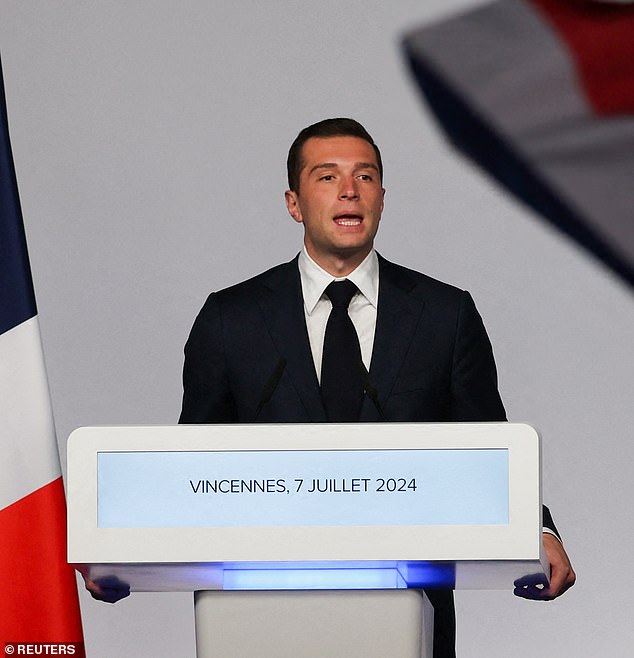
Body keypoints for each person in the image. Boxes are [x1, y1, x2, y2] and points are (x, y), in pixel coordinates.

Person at [89, 118, 576, 656]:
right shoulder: (231, 318)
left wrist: (540, 530)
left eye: (365, 177)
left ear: (383, 199)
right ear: (294, 203)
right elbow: (191, 463)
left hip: (407, 610)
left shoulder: (445, 314)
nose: (349, 191)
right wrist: (117, 548)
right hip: (257, 618)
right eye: (327, 177)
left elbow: (490, 448)